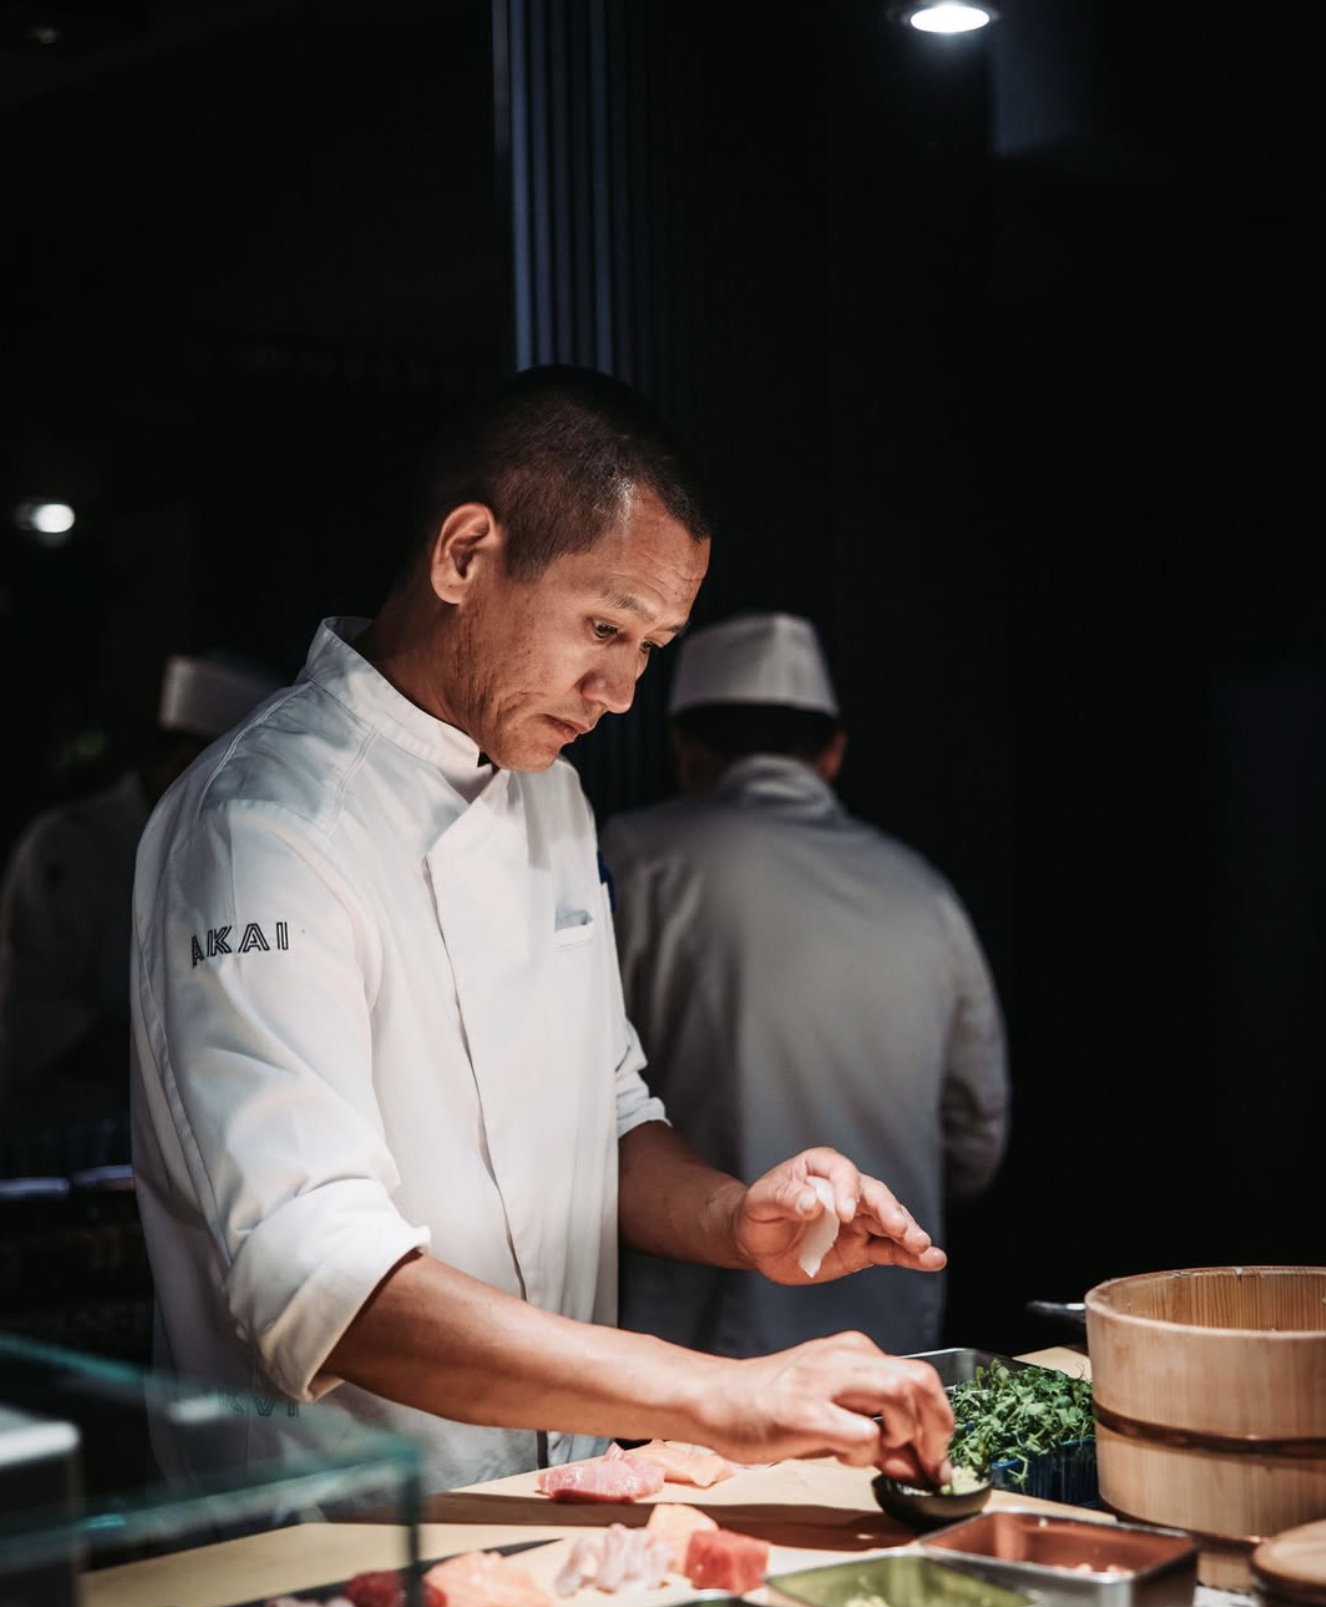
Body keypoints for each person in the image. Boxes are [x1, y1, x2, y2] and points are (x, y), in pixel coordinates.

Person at [129, 365, 957, 1500]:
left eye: (651, 646)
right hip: (333, 1526)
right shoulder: (260, 825)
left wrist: (735, 1217)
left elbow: (602, 1115)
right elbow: (313, 1273)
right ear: (464, 555)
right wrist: (714, 1392)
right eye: (605, 625)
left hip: (558, 1497)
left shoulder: (551, 797)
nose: (619, 690)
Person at [599, 610, 1010, 1360]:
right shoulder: (922, 890)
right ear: (832, 754)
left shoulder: (630, 859)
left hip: (692, 1338)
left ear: (685, 747)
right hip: (888, 1318)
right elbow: (978, 1133)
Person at [0, 652, 281, 1167]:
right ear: (182, 763)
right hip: (59, 1149)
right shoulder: (68, 848)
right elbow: (33, 1019)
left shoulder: (233, 855)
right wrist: (185, 1059)